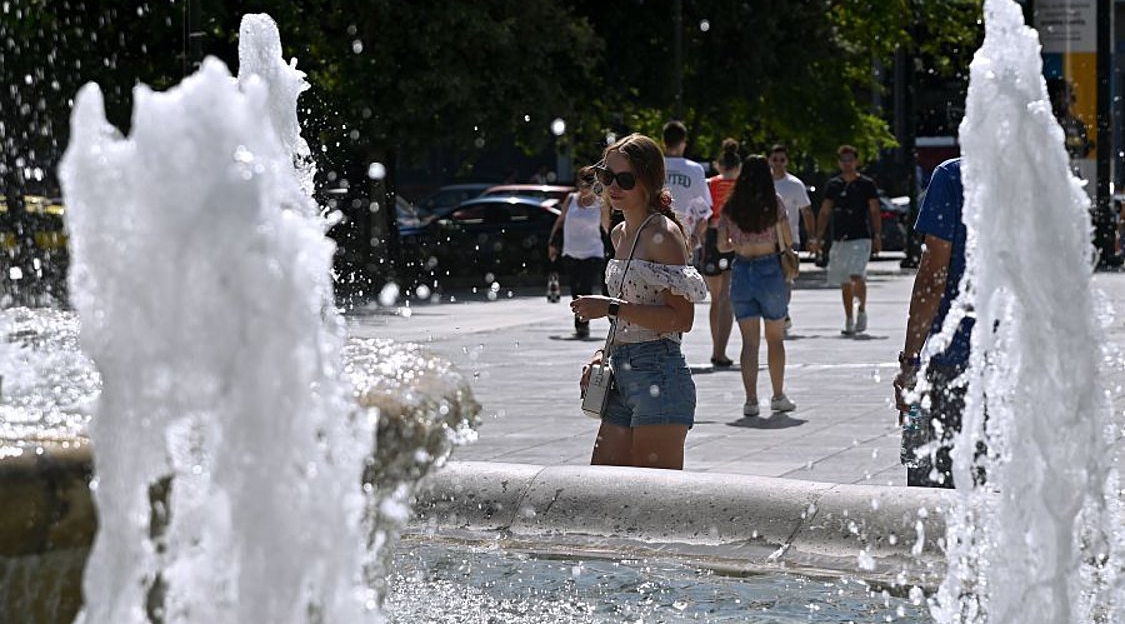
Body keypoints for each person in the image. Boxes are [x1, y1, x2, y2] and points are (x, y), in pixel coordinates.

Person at [571, 133, 708, 470]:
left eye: (625, 179)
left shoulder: (662, 234)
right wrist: (601, 352)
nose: (613, 186)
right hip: (622, 372)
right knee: (602, 494)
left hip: (659, 375)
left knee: (653, 507)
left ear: (647, 181)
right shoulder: (619, 233)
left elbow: (681, 320)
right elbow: (630, 315)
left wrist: (609, 307)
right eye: (607, 177)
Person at [893, 157, 974, 488]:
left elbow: (932, 276)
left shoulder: (952, 175)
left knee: (928, 487)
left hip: (950, 359)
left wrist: (909, 360)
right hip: (1016, 364)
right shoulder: (1042, 178)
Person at [716, 155, 797, 417]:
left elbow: (721, 246)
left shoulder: (731, 207)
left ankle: (750, 401)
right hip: (769, 270)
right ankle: (778, 396)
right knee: (775, 339)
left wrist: (740, 242)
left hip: (741, 270)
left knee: (749, 343)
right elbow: (787, 240)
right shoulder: (774, 203)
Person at [809, 145, 882, 335]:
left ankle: (862, 310)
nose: (847, 163)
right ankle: (849, 319)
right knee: (844, 280)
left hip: (861, 236)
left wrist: (877, 235)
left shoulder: (867, 184)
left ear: (856, 161)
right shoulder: (834, 185)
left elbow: (874, 210)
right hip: (840, 237)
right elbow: (825, 211)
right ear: (839, 163)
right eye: (844, 160)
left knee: (856, 274)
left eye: (850, 160)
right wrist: (818, 237)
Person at [548, 166, 611, 338]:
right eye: (580, 186)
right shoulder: (570, 200)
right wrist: (552, 243)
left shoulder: (600, 204)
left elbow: (606, 227)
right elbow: (560, 222)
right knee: (575, 289)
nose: (582, 190)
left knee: (586, 286)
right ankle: (581, 322)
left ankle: (583, 324)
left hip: (593, 252)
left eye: (586, 186)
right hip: (571, 251)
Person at [701, 138, 741, 367]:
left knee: (716, 299)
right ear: (737, 166)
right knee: (727, 298)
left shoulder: (710, 184)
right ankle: (720, 351)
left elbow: (703, 210)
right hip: (733, 240)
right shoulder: (742, 185)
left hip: (712, 238)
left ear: (718, 164)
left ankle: (716, 347)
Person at [767, 144, 812, 336]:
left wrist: (813, 237)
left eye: (782, 160)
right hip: (766, 241)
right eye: (774, 159)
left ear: (787, 161)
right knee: (769, 279)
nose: (778, 164)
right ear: (769, 160)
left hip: (789, 240)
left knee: (786, 280)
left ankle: (783, 313)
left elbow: (807, 211)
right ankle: (777, 313)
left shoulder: (795, 185)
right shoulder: (763, 183)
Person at [662, 120, 712, 256]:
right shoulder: (695, 169)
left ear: (664, 141)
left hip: (656, 238)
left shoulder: (653, 166)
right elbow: (704, 210)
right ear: (683, 143)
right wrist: (696, 237)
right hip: (686, 239)